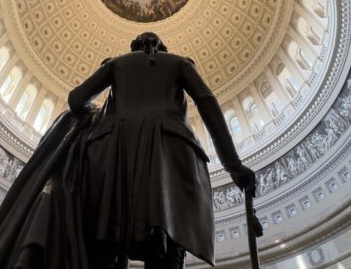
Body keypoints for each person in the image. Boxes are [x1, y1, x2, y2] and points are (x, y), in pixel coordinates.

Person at [69, 31, 256, 269]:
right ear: (162, 47)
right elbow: (207, 102)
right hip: (171, 156)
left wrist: (97, 115)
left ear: (134, 47)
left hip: (115, 157)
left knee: (105, 248)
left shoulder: (116, 64)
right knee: (169, 249)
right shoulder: (180, 63)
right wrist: (233, 165)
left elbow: (76, 100)